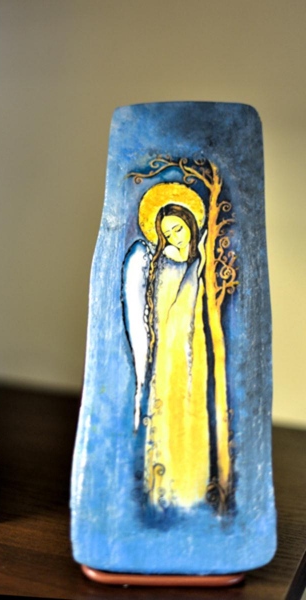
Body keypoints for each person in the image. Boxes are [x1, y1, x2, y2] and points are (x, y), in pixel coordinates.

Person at [122, 182, 210, 510]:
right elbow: (162, 309)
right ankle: (165, 486)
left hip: (191, 348)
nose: (174, 237)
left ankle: (191, 483)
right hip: (169, 352)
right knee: (167, 411)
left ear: (190, 222)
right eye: (168, 233)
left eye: (178, 229)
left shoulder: (197, 257)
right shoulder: (167, 259)